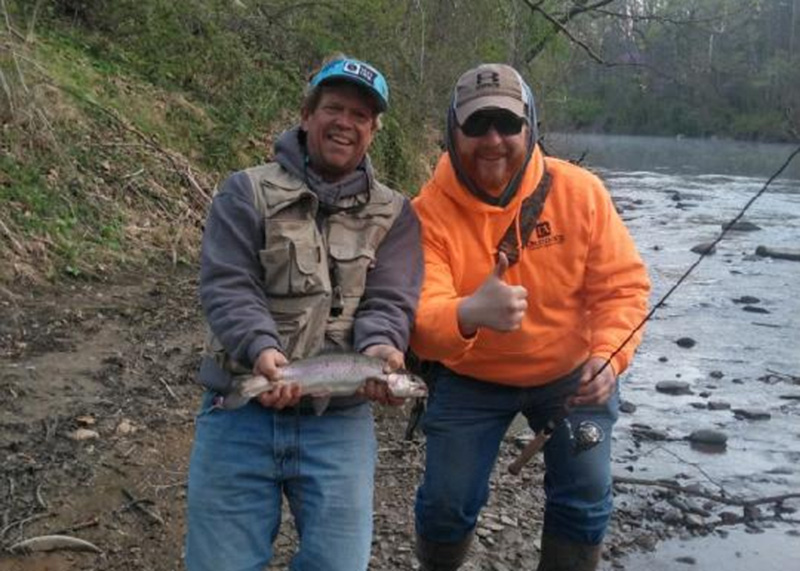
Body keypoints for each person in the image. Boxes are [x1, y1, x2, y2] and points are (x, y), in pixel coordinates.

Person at [185, 55, 423, 571]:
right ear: (307, 114)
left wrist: (383, 348)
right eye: (333, 108)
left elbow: (389, 301)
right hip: (241, 415)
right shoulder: (244, 191)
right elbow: (229, 284)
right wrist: (262, 351)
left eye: (360, 115)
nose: (345, 123)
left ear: (373, 130)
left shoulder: (396, 214)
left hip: (340, 424)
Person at [410, 63, 651, 571]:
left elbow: (623, 288)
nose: (492, 140)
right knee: (447, 505)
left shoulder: (581, 193)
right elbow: (423, 326)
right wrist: (468, 313)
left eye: (507, 123)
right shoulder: (425, 213)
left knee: (585, 497)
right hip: (469, 377)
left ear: (531, 126)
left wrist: (609, 357)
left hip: (571, 375)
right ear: (453, 131)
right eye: (476, 125)